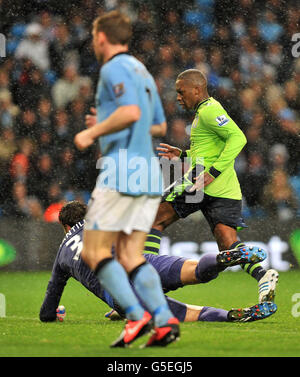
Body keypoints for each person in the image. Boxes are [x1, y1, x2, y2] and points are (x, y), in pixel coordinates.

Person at [73, 11, 178, 348]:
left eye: (93, 37)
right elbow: (156, 124)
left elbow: (130, 113)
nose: (93, 42)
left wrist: (93, 131)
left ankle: (136, 315)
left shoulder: (113, 67)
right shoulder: (142, 70)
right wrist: (109, 120)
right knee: (131, 255)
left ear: (101, 37)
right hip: (149, 173)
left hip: (122, 171)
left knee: (93, 251)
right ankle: (164, 321)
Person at [144, 69, 279, 304]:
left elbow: (238, 138)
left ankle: (145, 285)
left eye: (181, 92)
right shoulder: (204, 112)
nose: (178, 97)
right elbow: (208, 150)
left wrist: (212, 173)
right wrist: (184, 154)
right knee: (228, 244)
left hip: (201, 183)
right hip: (225, 189)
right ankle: (263, 274)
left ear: (197, 89)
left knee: (154, 220)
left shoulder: (209, 111)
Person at [39, 201, 277, 326]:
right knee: (196, 270)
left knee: (187, 313)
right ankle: (221, 258)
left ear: (66, 228)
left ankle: (231, 316)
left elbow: (48, 308)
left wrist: (53, 314)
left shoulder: (62, 254)